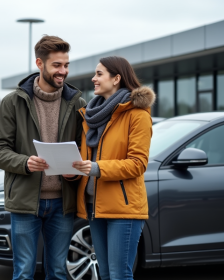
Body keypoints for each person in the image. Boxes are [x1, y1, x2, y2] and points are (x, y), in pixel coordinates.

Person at [0, 35, 86, 280]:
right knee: (23, 273)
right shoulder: (13, 102)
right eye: (57, 65)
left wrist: (75, 171)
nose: (63, 71)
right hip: (25, 201)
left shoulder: (77, 103)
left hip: (62, 203)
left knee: (58, 273)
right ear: (40, 64)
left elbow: (84, 151)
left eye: (66, 65)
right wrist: (24, 163)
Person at [71, 56, 155, 280]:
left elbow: (138, 164)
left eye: (99, 74)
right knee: (106, 274)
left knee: (119, 275)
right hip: (94, 206)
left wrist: (97, 168)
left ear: (116, 78)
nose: (93, 79)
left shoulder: (137, 114)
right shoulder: (92, 114)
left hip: (123, 209)